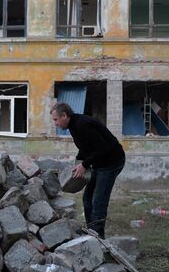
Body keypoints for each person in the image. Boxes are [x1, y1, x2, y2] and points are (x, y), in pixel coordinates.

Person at [50, 102, 125, 239]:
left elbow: (103, 148)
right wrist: (77, 162)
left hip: (111, 162)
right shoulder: (73, 126)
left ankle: (98, 237)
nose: (55, 123)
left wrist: (84, 165)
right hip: (98, 163)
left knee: (98, 201)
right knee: (87, 198)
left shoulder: (83, 124)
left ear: (64, 115)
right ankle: (91, 232)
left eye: (56, 119)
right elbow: (85, 148)